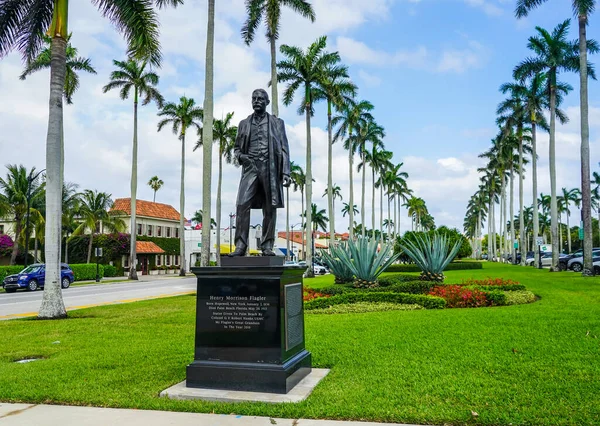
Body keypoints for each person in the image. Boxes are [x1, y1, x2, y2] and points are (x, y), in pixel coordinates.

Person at [229, 89, 291, 256]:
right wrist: (242, 156)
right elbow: (236, 149)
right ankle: (241, 246)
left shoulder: (277, 123)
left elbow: (284, 148)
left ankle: (267, 245)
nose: (257, 101)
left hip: (269, 167)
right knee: (242, 204)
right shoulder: (244, 124)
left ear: (267, 102)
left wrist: (286, 172)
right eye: (254, 98)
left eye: (260, 99)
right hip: (250, 167)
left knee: (270, 207)